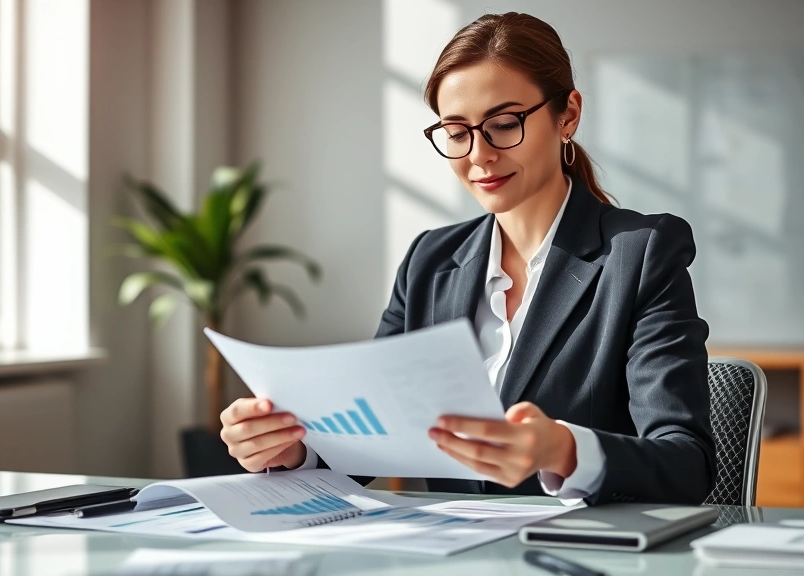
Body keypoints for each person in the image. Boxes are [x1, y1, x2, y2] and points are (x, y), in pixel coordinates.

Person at [218, 12, 714, 505]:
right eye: (457, 133)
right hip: (453, 542)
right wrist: (292, 449)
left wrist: (564, 450)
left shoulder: (641, 254)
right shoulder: (429, 261)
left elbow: (687, 464)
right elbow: (374, 438)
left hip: (580, 542)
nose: (479, 155)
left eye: (504, 124)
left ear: (567, 115)